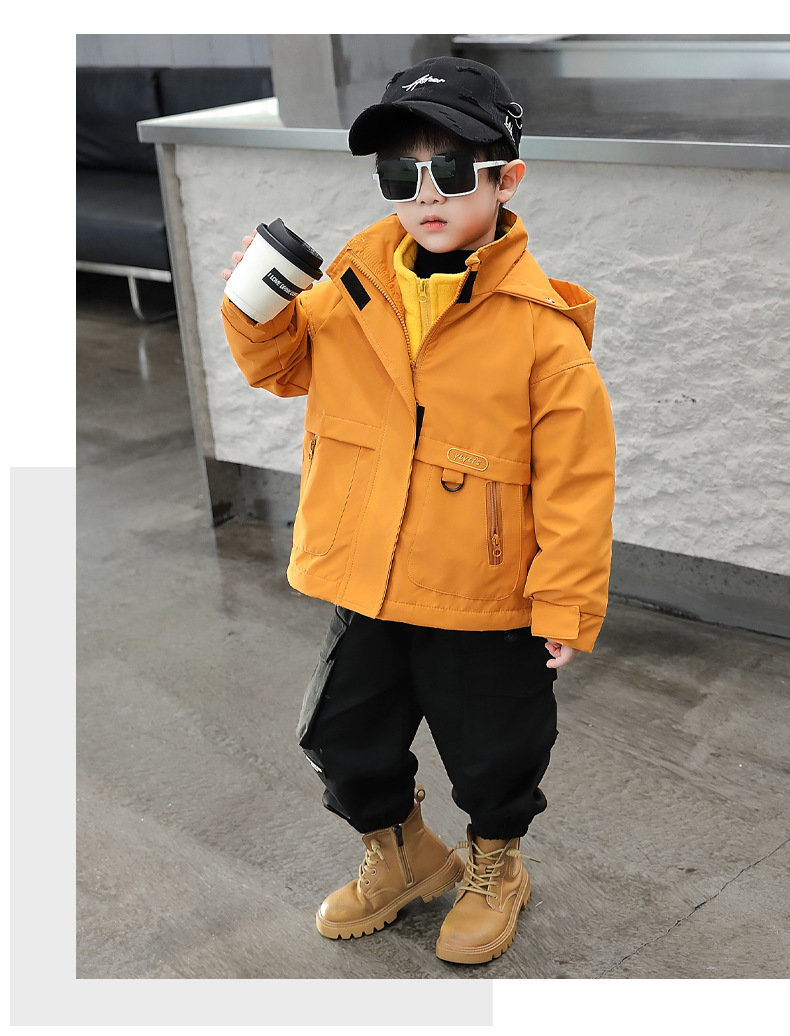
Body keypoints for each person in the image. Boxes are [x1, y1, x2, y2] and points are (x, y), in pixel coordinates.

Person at [220, 55, 616, 965]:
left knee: (495, 750)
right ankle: (402, 855)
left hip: (482, 595)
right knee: (341, 736)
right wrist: (255, 308)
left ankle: (495, 864)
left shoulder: (542, 333)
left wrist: (563, 602)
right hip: (368, 577)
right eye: (400, 173)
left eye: (450, 170)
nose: (424, 192)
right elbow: (279, 368)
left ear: (507, 179)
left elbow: (577, 481)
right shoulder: (352, 290)